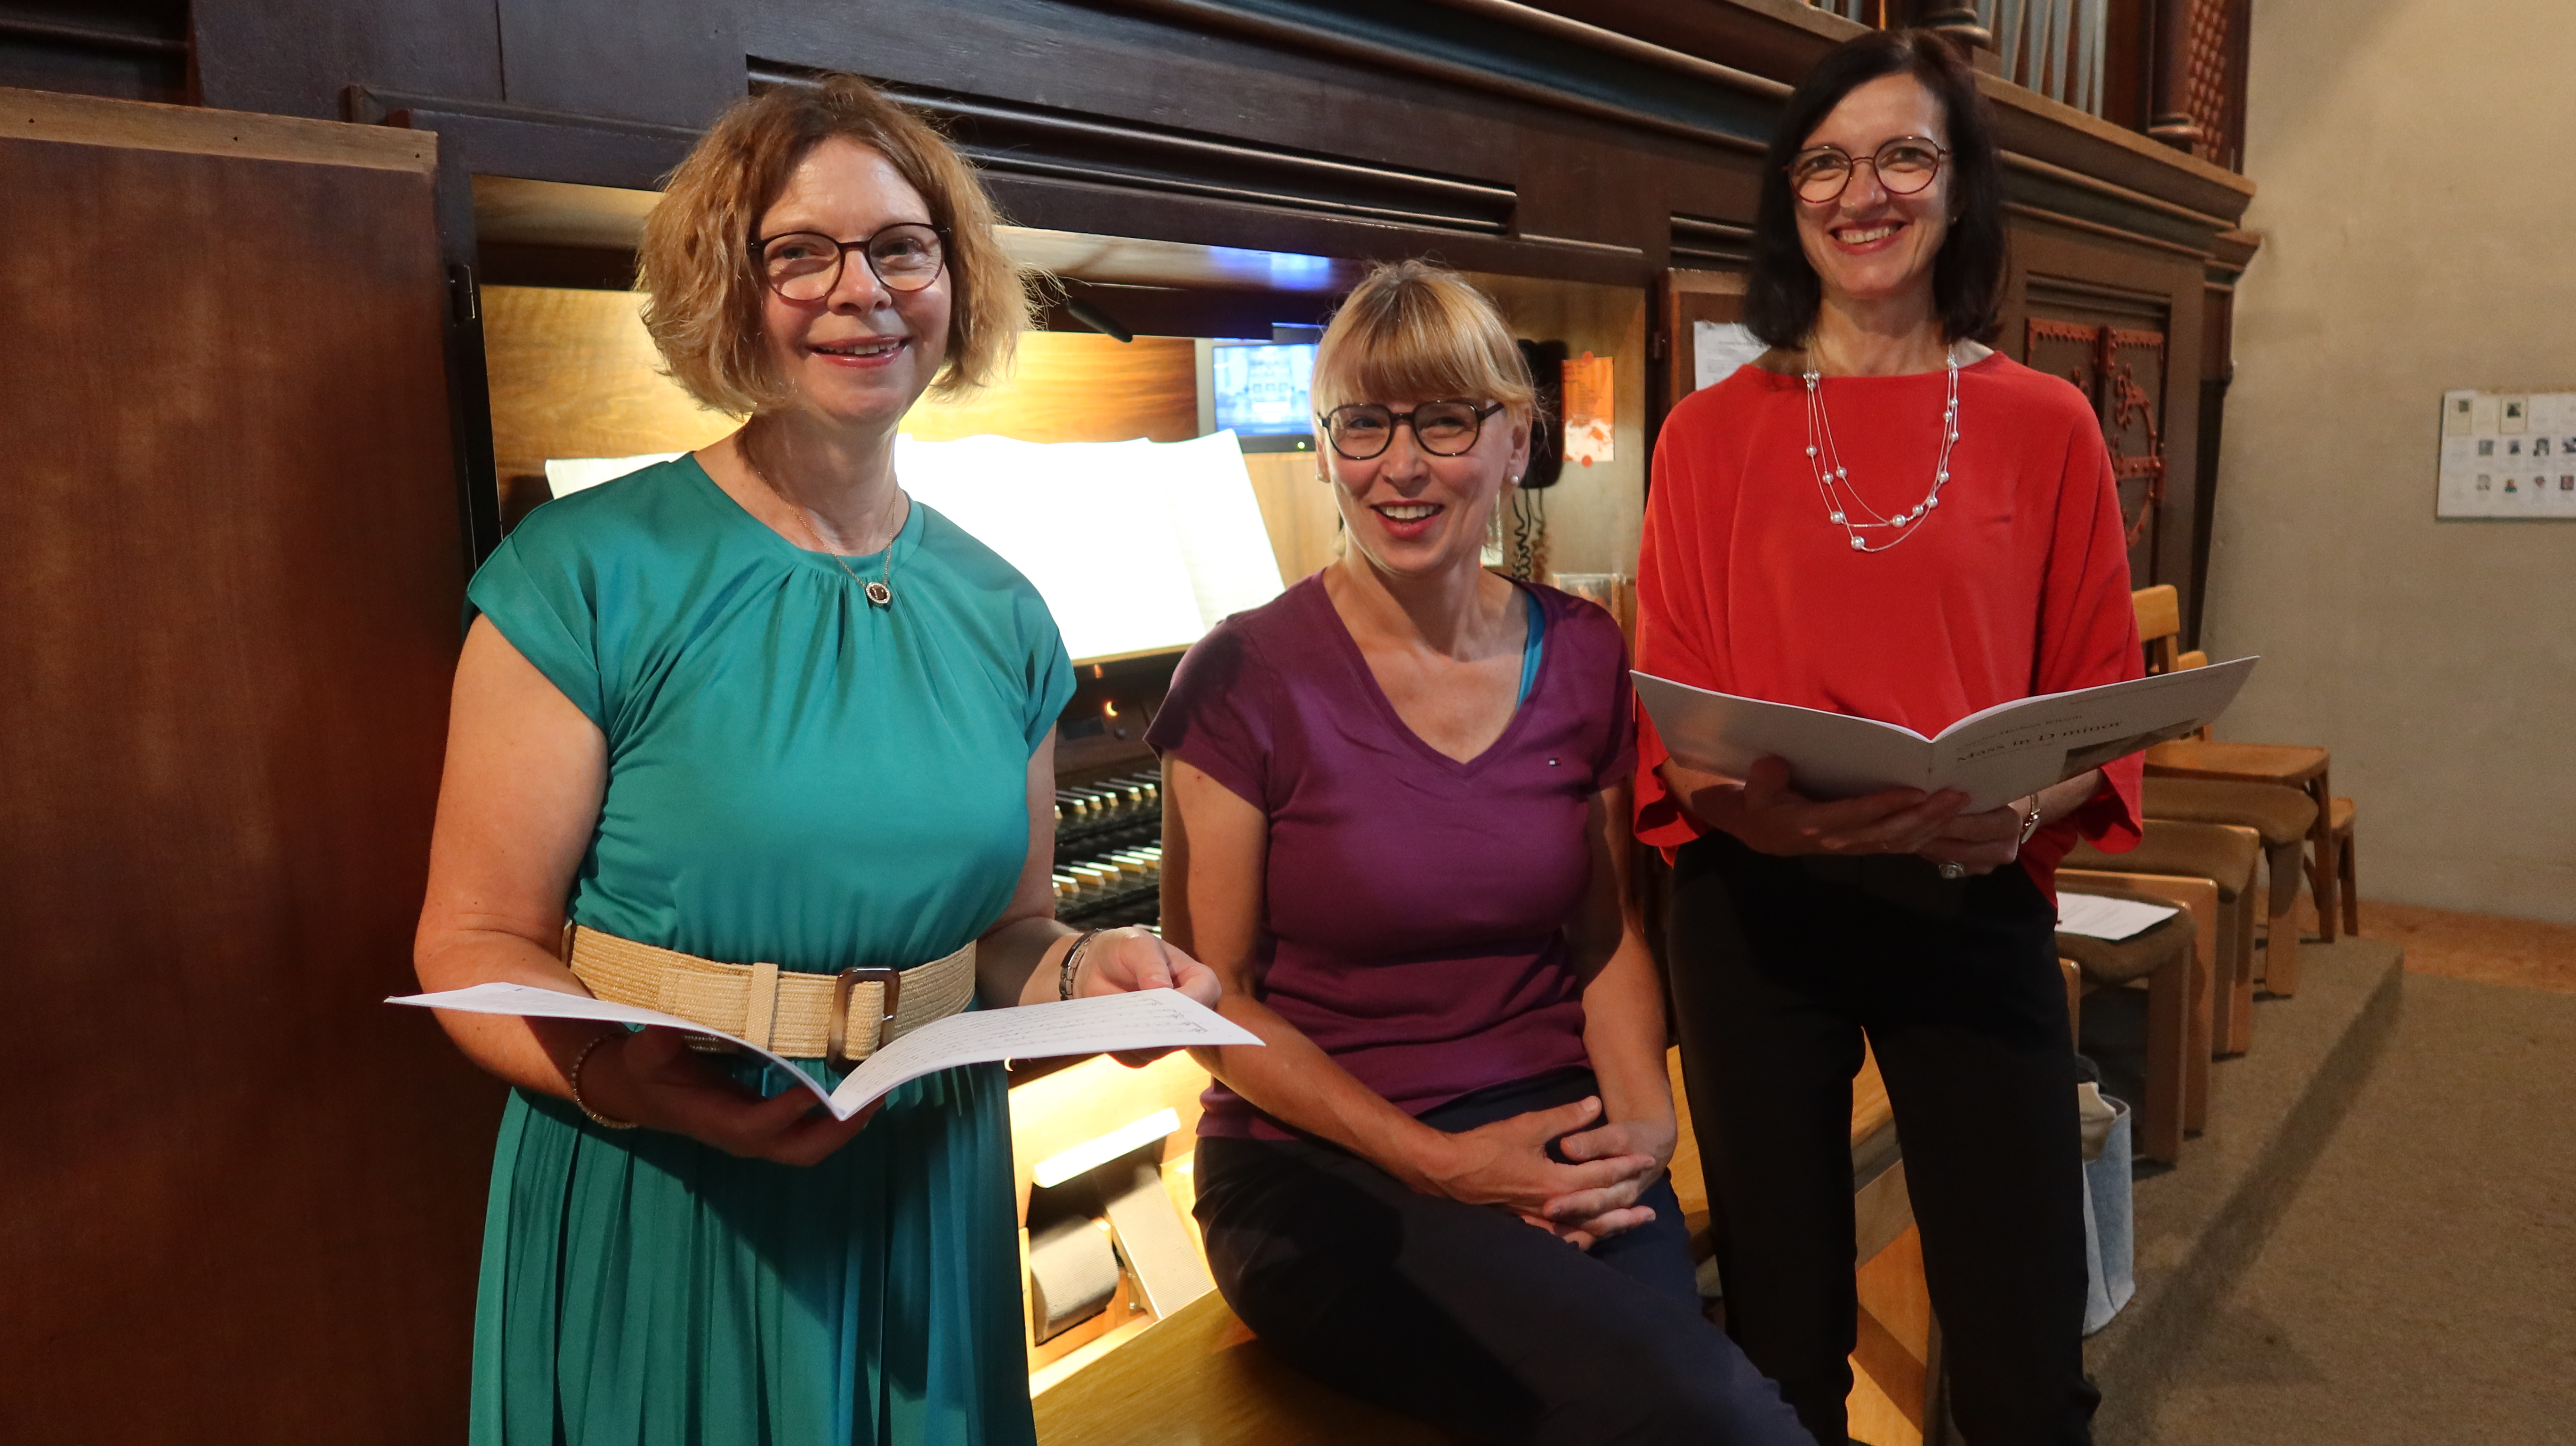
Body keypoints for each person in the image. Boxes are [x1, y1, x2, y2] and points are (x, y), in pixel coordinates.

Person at [411, 74, 1218, 1446]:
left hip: (919, 1184)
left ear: (953, 277)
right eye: (801, 252)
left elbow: (1011, 934)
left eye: (903, 246)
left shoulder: (1005, 607)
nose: (863, 291)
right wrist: (623, 1082)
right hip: (664, 1182)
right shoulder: (587, 574)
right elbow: (472, 938)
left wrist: (1095, 968)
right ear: (732, 287)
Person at [1152, 261, 1809, 1446]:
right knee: (1708, 1415)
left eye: (1445, 420)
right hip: (1324, 1171)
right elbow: (1213, 1005)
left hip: (1561, 1132)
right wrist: (1444, 1168)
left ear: (1517, 441)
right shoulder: (1241, 674)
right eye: (1364, 424)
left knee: (1689, 1397)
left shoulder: (1588, 652)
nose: (1401, 466)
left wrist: (1645, 1132)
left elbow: (1605, 937)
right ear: (1324, 449)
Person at [1634, 30, 2145, 1446]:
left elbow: (2104, 699)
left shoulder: (2048, 425)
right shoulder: (1708, 433)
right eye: (1828, 162)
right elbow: (1674, 704)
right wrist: (1771, 815)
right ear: (1791, 199)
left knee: (2023, 1330)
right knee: (1784, 1324)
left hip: (1970, 891)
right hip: (1755, 912)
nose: (1865, 192)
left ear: (1960, 188)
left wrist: (2025, 815)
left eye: (1905, 155)